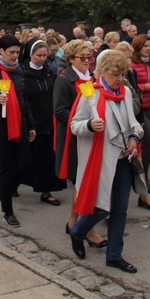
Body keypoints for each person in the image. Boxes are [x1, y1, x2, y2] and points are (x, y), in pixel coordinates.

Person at [69, 50, 143, 273]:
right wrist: (90, 125)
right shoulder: (91, 93)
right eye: (116, 74)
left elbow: (133, 124)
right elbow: (75, 125)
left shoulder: (126, 93)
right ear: (103, 72)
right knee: (100, 208)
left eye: (123, 74)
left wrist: (133, 137)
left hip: (122, 158)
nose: (120, 79)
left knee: (120, 210)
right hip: (99, 160)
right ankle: (77, 231)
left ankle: (114, 255)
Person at [0, 34, 35, 227]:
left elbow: (23, 100)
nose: (15, 56)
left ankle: (5, 191)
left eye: (17, 52)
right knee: (7, 168)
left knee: (25, 165)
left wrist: (31, 125)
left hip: (20, 122)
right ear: (1, 51)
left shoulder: (19, 71)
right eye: (11, 52)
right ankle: (7, 211)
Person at [54, 39, 106, 246]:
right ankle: (88, 229)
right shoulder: (64, 79)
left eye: (89, 57)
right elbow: (60, 111)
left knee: (82, 182)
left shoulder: (93, 78)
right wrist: (83, 123)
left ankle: (73, 221)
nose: (87, 60)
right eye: (82, 57)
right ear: (71, 59)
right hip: (74, 138)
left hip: (92, 135)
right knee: (82, 183)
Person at [21, 38, 66, 206]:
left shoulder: (51, 72)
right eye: (38, 55)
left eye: (45, 55)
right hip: (31, 121)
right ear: (30, 55)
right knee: (27, 159)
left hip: (49, 121)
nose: (42, 59)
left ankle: (46, 191)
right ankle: (12, 184)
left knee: (48, 158)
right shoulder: (22, 74)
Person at [130, 35, 150, 195]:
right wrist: (144, 87)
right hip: (140, 108)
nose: (148, 49)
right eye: (145, 46)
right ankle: (141, 175)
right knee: (147, 140)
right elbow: (132, 87)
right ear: (138, 48)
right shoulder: (132, 64)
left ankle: (143, 175)